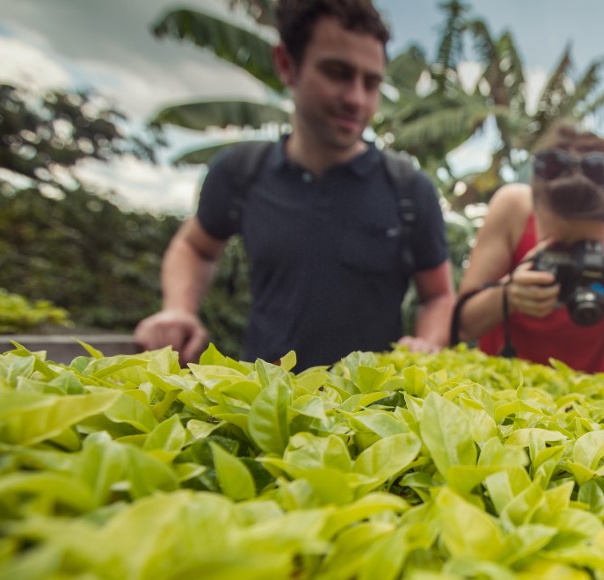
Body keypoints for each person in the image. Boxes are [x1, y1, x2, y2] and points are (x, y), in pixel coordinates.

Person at [134, 0, 454, 369]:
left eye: (371, 82)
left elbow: (438, 295)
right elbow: (195, 246)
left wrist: (427, 344)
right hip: (263, 406)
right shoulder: (241, 172)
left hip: (369, 417)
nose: (356, 99)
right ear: (287, 64)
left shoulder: (410, 190)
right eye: (337, 73)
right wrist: (178, 309)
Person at [454, 123, 604, 376]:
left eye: (588, 247)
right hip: (494, 391)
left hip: (581, 406)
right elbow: (462, 325)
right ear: (535, 207)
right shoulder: (511, 209)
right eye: (558, 243)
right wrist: (508, 296)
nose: (572, 256)